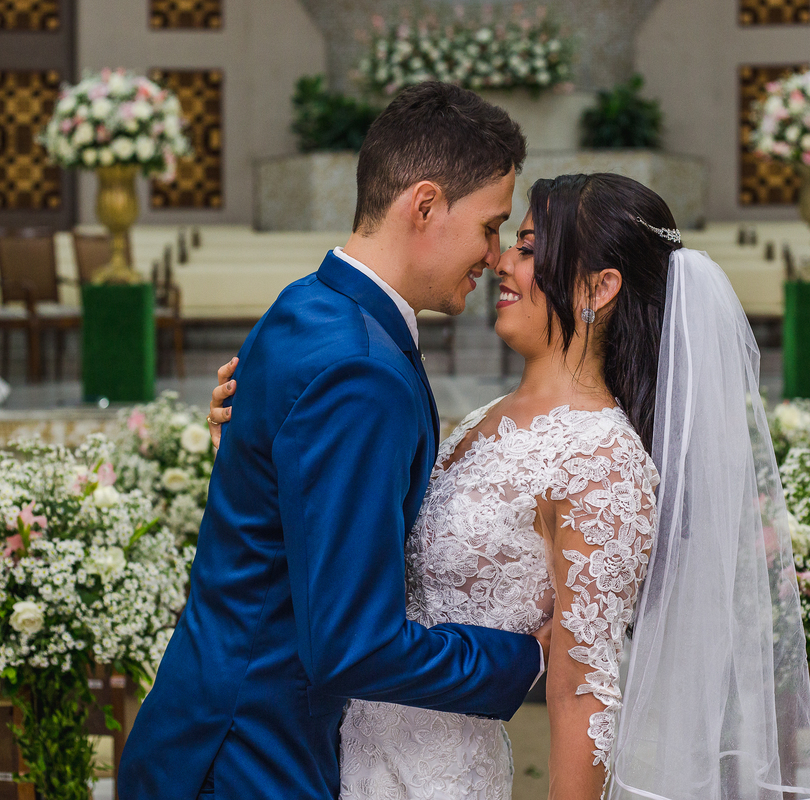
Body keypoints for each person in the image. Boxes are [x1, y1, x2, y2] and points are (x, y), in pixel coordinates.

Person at [209, 173, 810, 799]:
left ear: (600, 287)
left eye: (528, 248)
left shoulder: (602, 460)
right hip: (345, 761)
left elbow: (583, 694)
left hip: (442, 780)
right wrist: (261, 445)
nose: (501, 261)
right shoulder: (483, 419)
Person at [118, 82, 552, 800]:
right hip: (249, 757)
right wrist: (521, 660)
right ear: (424, 205)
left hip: (204, 727)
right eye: (489, 226)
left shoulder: (307, 303)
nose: (495, 254)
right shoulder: (362, 369)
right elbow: (354, 645)